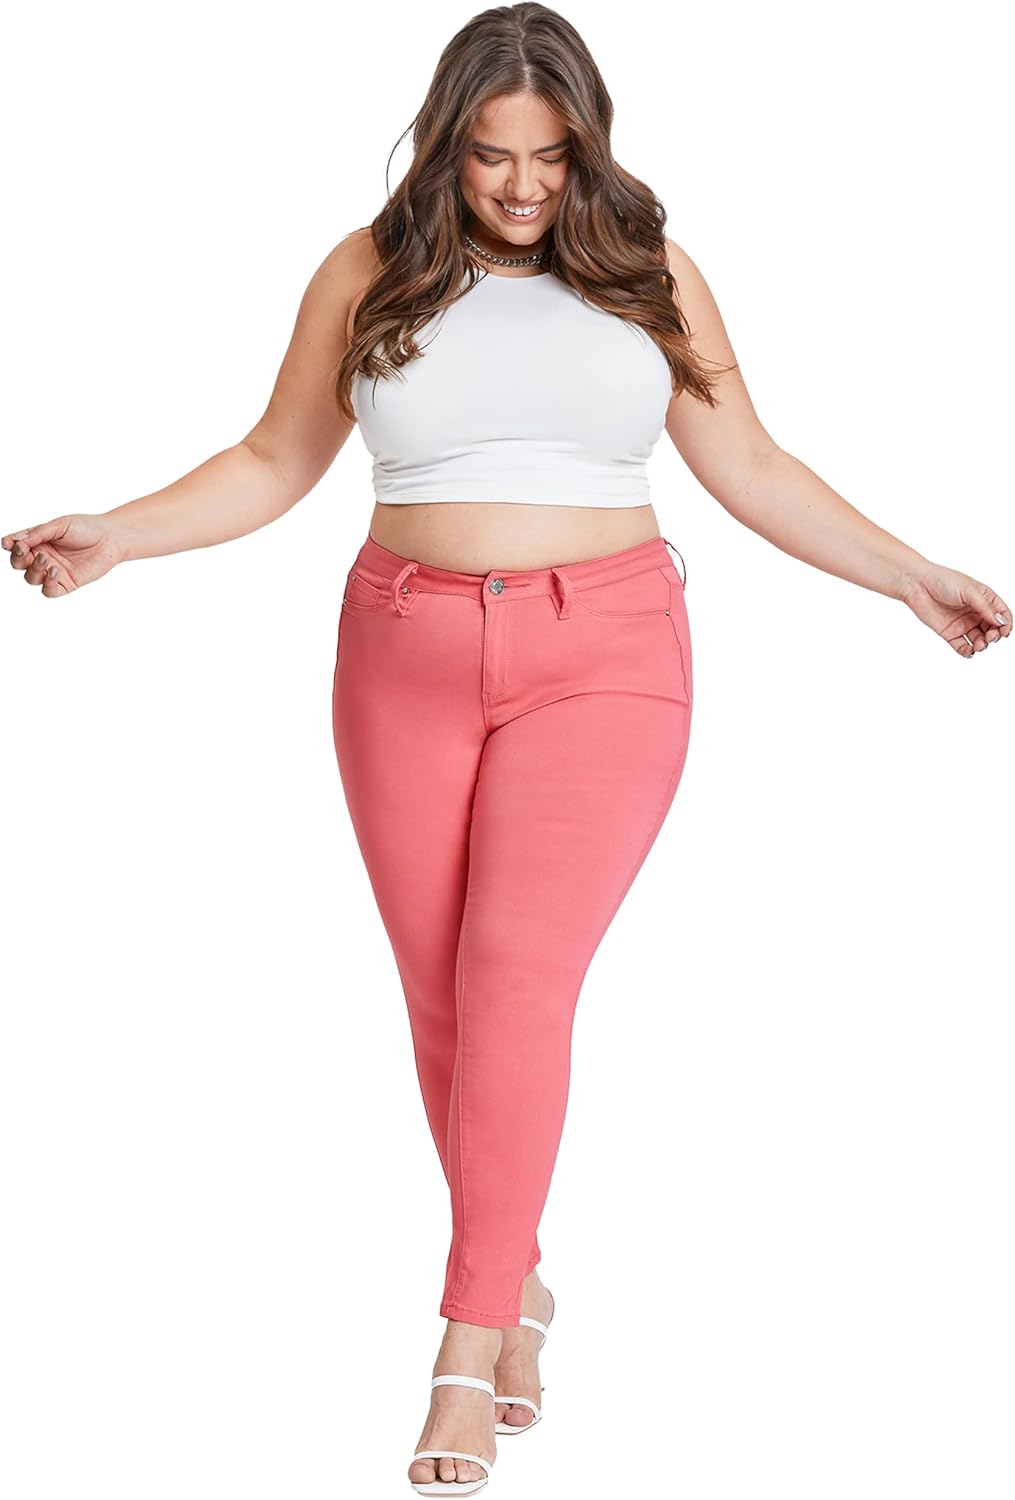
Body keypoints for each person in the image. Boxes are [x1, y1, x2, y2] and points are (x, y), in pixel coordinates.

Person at [4, 4, 1009, 1494]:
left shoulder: (650, 269)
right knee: (442, 1003)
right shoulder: (368, 267)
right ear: (445, 146)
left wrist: (912, 576)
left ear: (589, 146)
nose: (524, 187)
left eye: (550, 157)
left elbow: (749, 461)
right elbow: (275, 460)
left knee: (517, 979)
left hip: (605, 655)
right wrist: (121, 535)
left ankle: (467, 1350)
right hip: (399, 652)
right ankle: (520, 1276)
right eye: (491, 156)